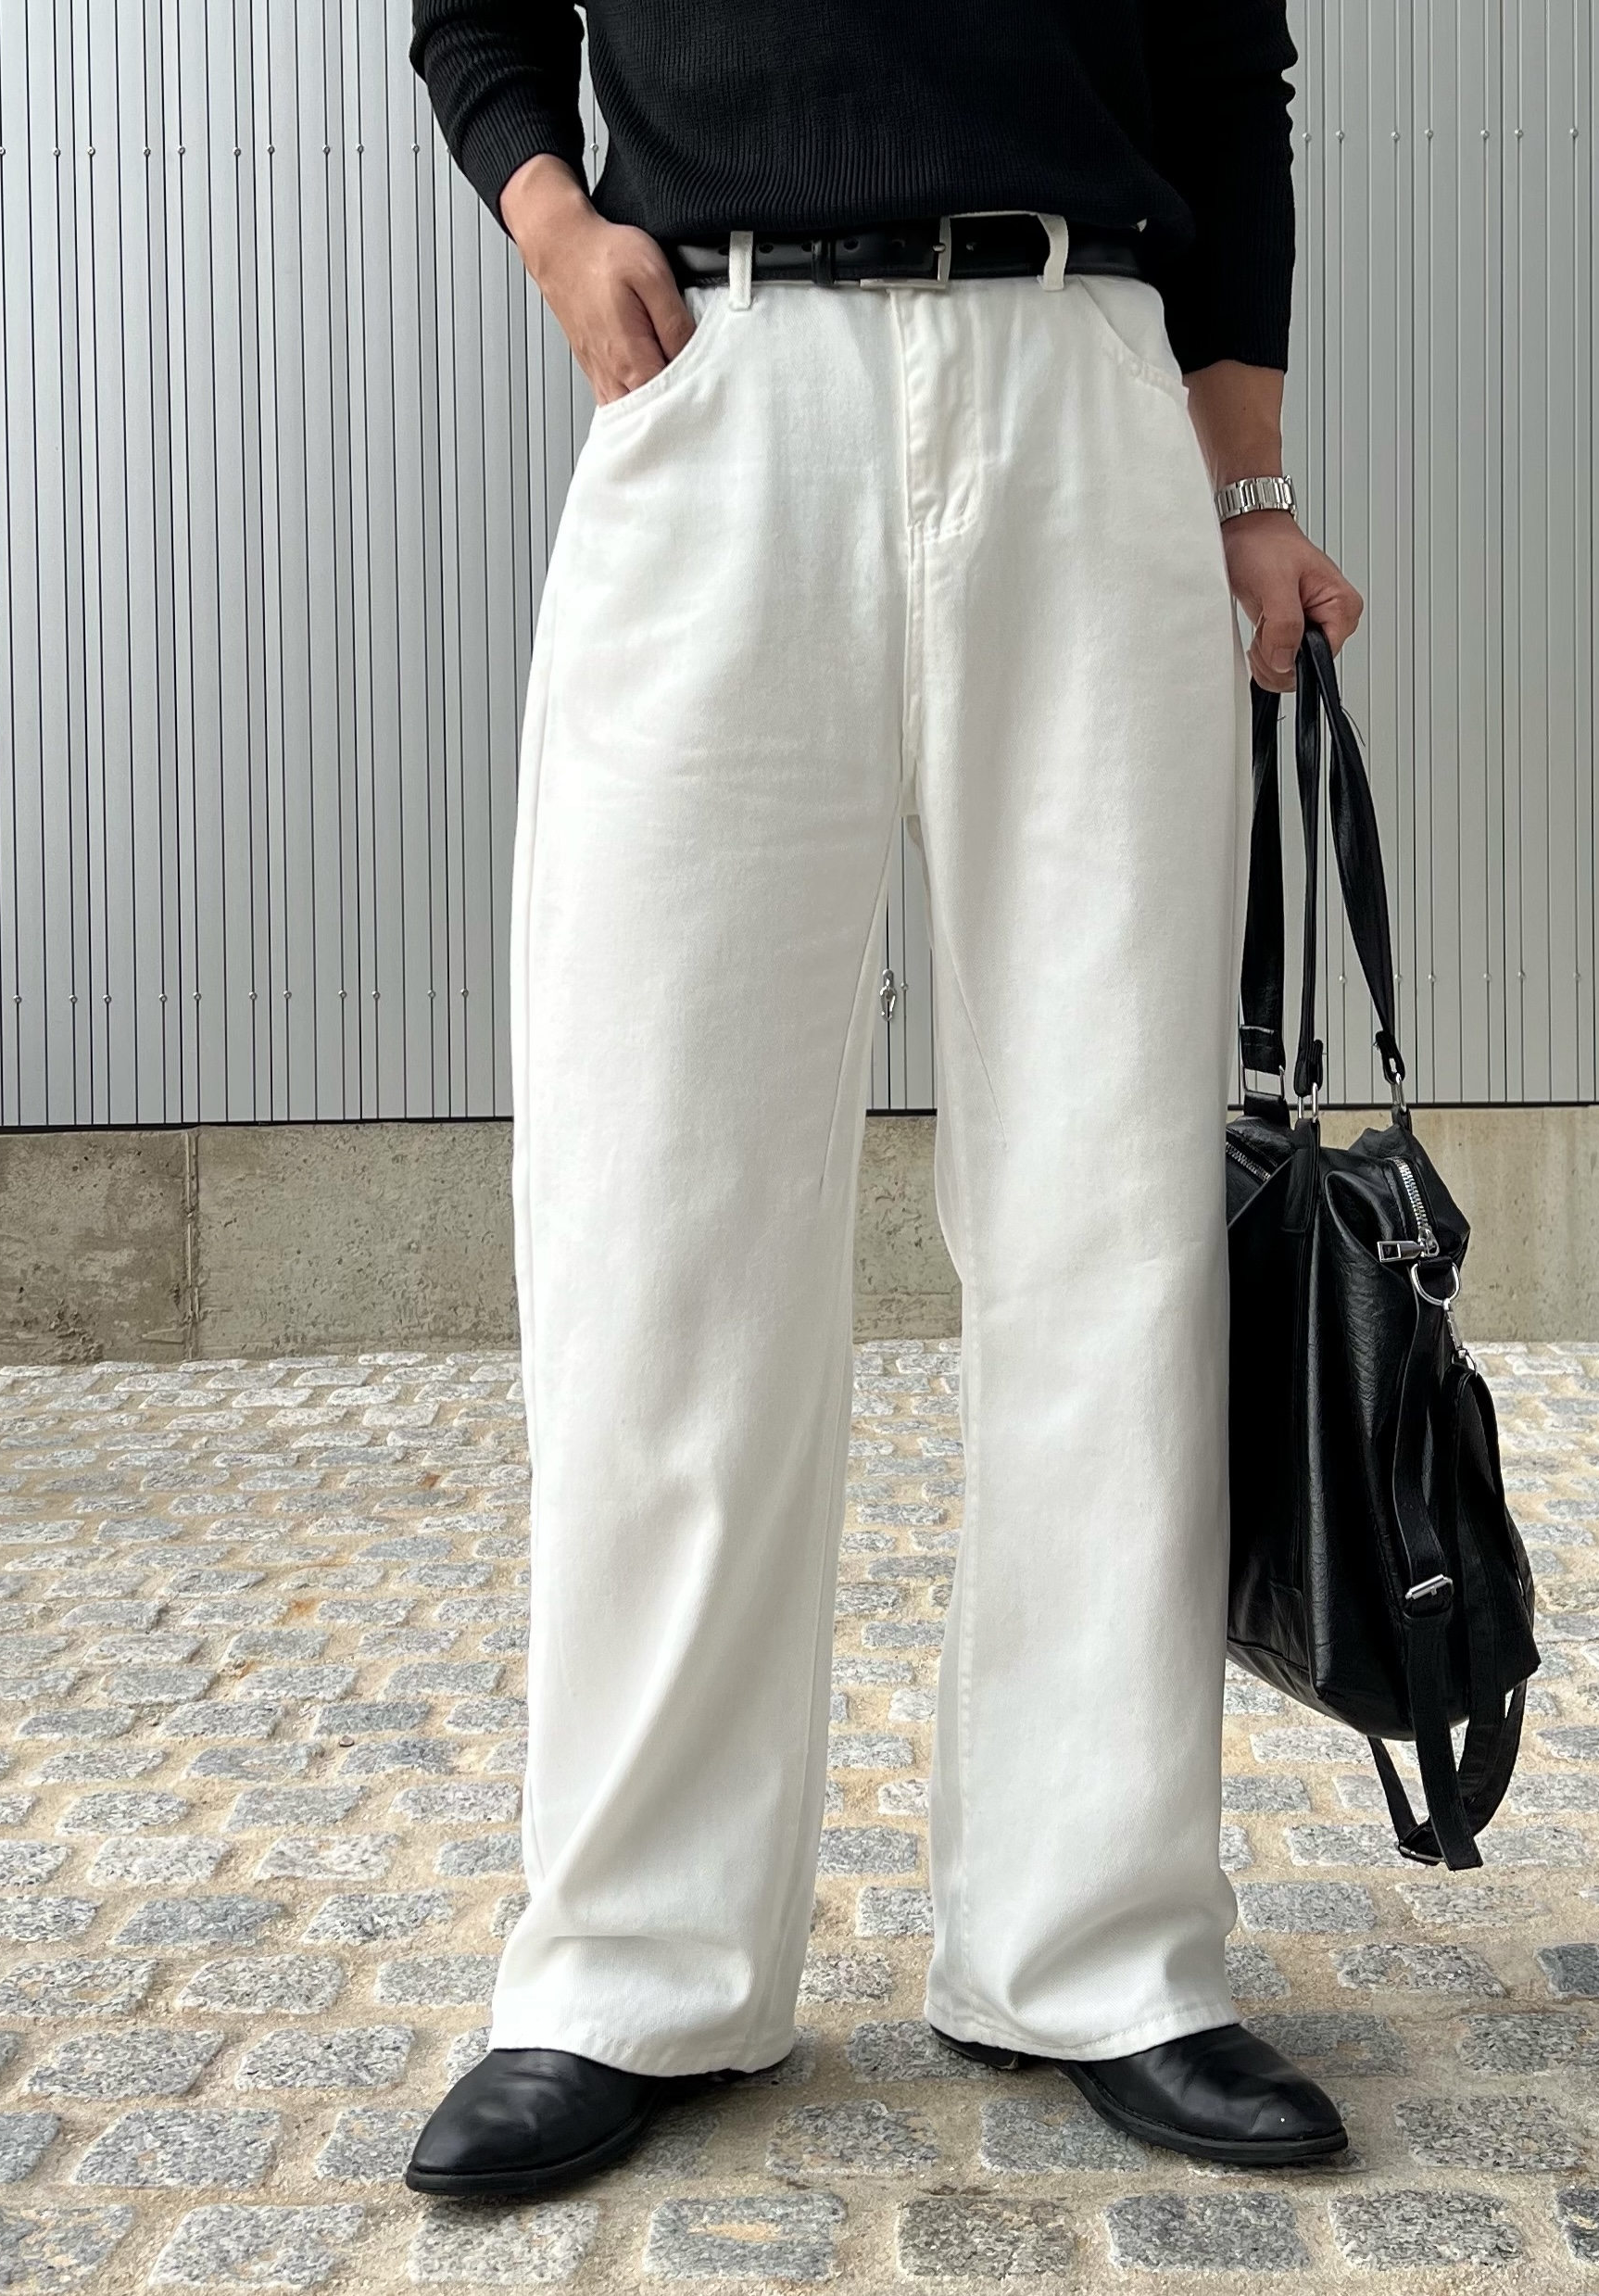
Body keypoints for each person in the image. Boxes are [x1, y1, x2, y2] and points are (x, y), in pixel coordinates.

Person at [402, 0, 1366, 2200]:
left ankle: (1095, 1944)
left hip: (1086, 384)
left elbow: (1227, 68)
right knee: (660, 1207)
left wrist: (1249, 487)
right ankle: (630, 1966)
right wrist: (550, 219)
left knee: (1111, 1216)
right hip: (722, 374)